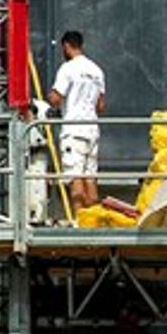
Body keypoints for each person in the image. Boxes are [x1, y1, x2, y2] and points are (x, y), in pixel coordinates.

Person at [45, 31, 108, 214]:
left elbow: (56, 98)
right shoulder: (97, 70)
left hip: (74, 130)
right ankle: (93, 223)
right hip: (92, 130)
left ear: (66, 46)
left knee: (75, 178)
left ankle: (79, 223)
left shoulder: (68, 68)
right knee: (90, 178)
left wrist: (49, 99)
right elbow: (101, 106)